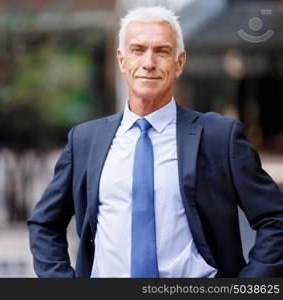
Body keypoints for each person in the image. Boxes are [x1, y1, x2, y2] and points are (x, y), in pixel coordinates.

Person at [27, 6, 283, 278]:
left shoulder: (220, 136)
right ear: (121, 59)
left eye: (161, 51)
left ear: (179, 62)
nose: (149, 62)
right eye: (138, 50)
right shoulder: (85, 140)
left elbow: (275, 219)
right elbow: (44, 224)